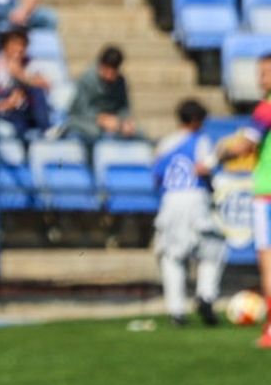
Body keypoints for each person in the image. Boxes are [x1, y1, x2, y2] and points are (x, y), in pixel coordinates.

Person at [214, 57, 271, 347]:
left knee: (268, 261)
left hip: (267, 192)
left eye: (265, 72)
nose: (261, 79)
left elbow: (244, 145)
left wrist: (218, 153)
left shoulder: (266, 108)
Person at [152, 99, 223, 328]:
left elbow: (156, 175)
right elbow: (205, 167)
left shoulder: (165, 143)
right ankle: (206, 295)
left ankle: (176, 311)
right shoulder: (200, 140)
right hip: (195, 197)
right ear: (195, 121)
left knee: (172, 257)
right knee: (212, 251)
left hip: (170, 200)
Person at [0, 26, 50, 136]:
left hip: (26, 113)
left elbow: (46, 87)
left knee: (36, 91)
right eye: (15, 44)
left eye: (23, 45)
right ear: (5, 45)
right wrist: (8, 104)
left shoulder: (29, 63)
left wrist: (20, 75)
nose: (19, 49)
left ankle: (47, 131)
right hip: (2, 112)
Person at [64, 45, 136, 145]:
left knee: (138, 133)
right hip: (85, 120)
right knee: (94, 132)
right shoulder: (86, 79)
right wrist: (101, 118)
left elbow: (123, 107)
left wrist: (126, 121)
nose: (109, 76)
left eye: (113, 72)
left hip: (113, 122)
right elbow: (79, 109)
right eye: (107, 71)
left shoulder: (120, 81)